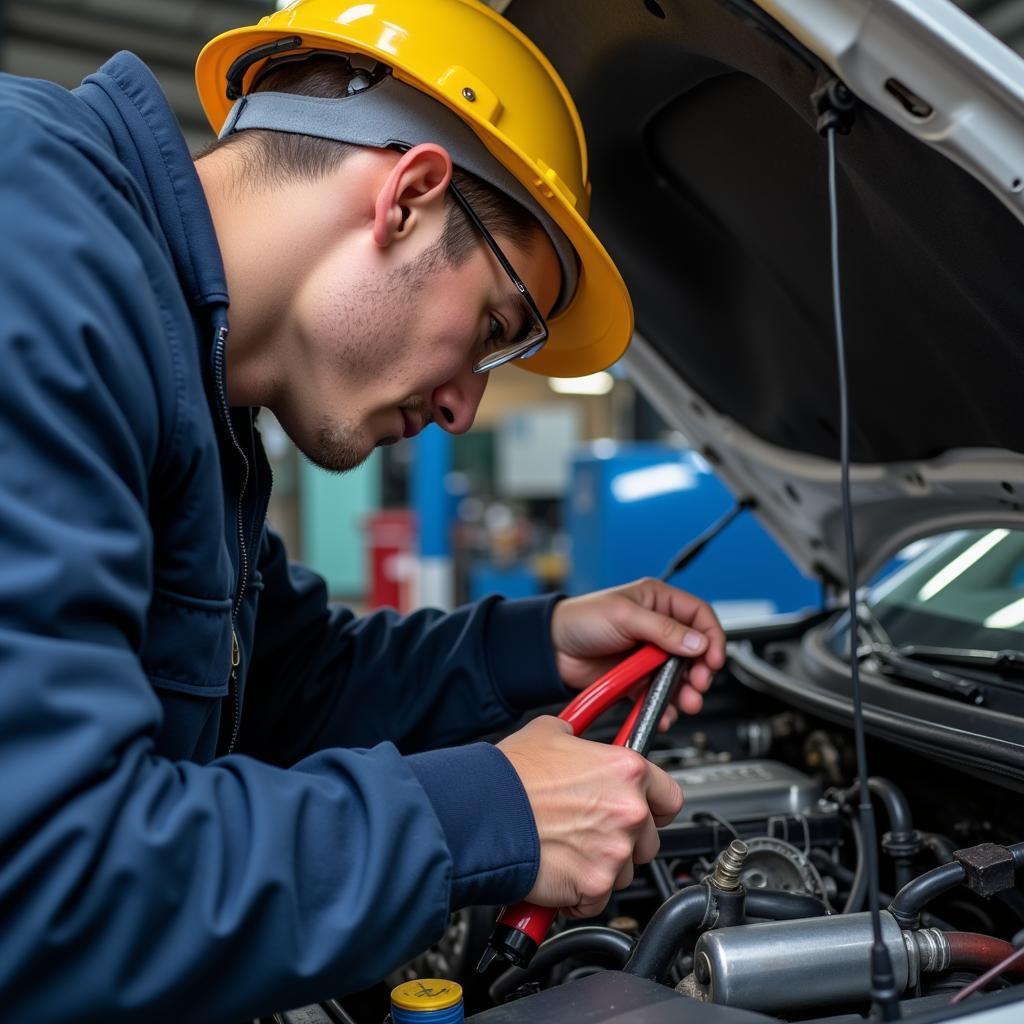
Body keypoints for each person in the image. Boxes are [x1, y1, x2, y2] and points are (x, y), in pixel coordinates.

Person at [0, 0, 725, 1020]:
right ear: (410, 197)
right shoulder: (34, 252)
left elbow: (289, 690)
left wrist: (534, 646)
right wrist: (486, 812)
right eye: (491, 326)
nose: (466, 404)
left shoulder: (197, 402)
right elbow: (41, 878)